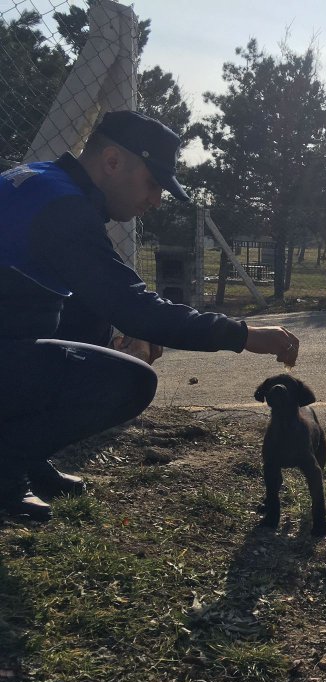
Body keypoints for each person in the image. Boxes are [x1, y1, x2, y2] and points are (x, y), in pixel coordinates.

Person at [0, 110, 299, 521]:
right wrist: (243, 335)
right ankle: (6, 467)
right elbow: (134, 306)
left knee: (90, 318)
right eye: (153, 184)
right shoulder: (64, 209)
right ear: (111, 161)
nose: (156, 200)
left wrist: (126, 321)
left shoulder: (41, 182)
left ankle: (25, 456)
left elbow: (105, 297)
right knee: (130, 382)